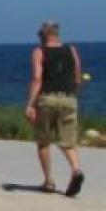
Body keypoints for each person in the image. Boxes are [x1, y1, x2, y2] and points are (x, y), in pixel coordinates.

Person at [25, 20, 86, 197]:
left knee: (43, 140)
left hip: (47, 99)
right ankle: (76, 170)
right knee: (68, 141)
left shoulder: (39, 52)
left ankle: (49, 181)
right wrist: (73, 93)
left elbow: (37, 78)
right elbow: (78, 76)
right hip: (68, 99)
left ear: (44, 35)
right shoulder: (71, 50)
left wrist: (30, 104)